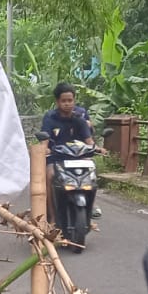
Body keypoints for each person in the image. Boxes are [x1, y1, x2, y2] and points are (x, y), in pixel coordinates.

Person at [40, 83, 95, 220]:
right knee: (50, 174)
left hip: (78, 157)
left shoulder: (80, 119)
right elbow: (44, 141)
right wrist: (44, 148)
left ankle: (92, 205)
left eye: (70, 100)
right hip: (56, 158)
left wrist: (97, 148)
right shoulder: (50, 118)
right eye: (63, 101)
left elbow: (89, 141)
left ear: (74, 100)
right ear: (57, 102)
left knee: (92, 169)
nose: (67, 104)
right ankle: (52, 218)